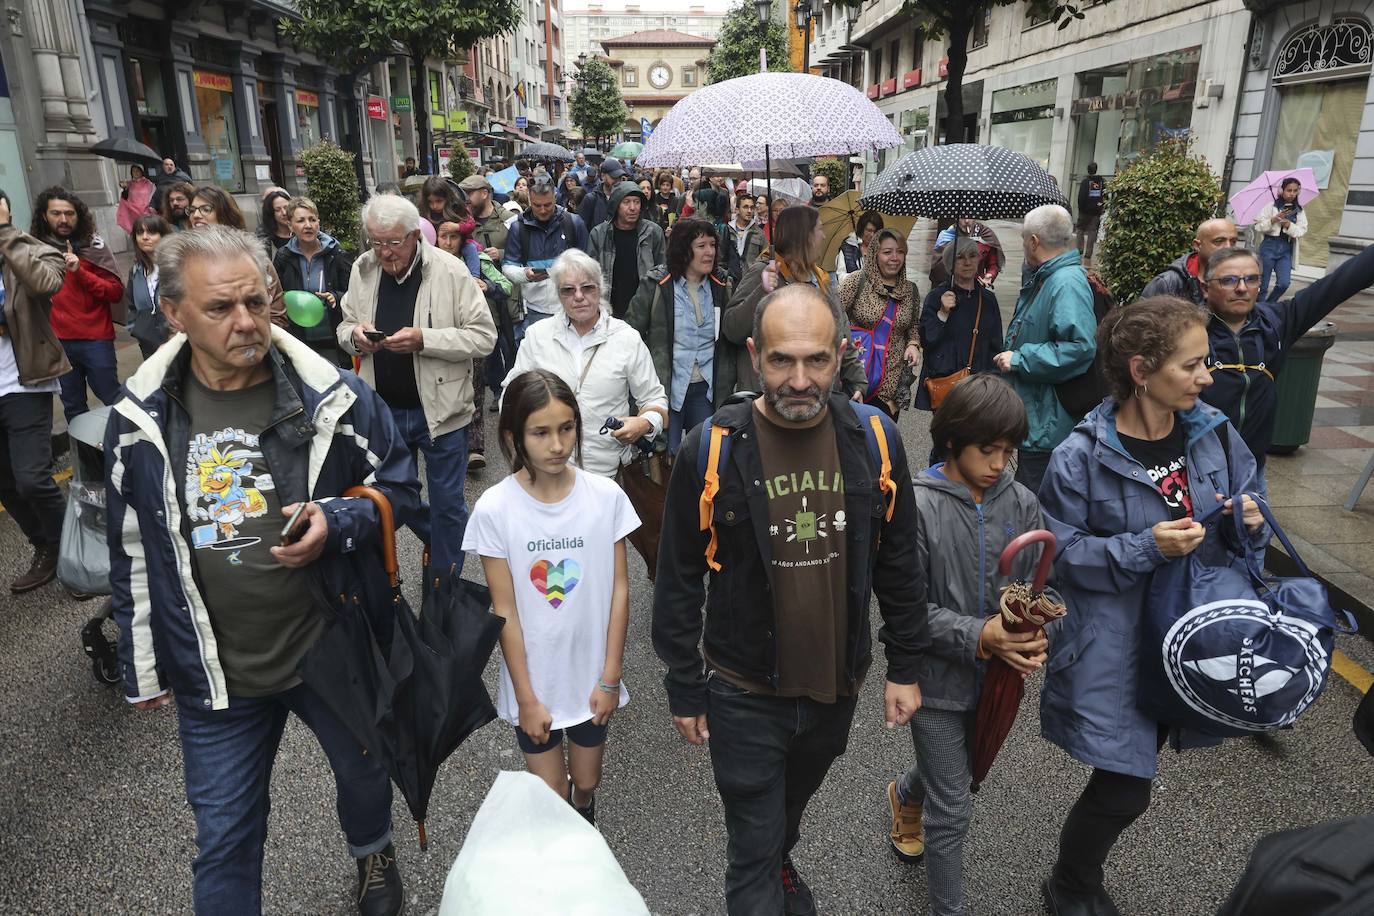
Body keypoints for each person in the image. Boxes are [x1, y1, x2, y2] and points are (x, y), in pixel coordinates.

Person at [106, 225, 419, 916]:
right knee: (223, 837)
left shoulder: (330, 397)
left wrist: (337, 521)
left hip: (330, 641)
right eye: (220, 308)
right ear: (173, 313)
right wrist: (142, 665)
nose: (246, 322)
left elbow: (401, 489)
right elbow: (132, 544)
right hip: (218, 670)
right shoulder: (140, 420)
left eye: (256, 300)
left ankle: (373, 849)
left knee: (365, 773)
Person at [652, 283, 928, 915]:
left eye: (816, 361)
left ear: (840, 355)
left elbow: (899, 563)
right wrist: (683, 683)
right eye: (781, 361)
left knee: (786, 813)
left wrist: (904, 667)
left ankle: (780, 859)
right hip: (742, 690)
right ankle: (766, 872)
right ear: (754, 356)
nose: (799, 380)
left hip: (835, 688)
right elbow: (678, 575)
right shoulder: (713, 447)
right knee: (750, 843)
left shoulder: (877, 440)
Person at [1037, 296, 1267, 916]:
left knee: (1130, 778)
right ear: (1142, 371)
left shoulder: (1214, 433)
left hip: (1188, 642)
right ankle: (1070, 885)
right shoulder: (1078, 457)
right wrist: (1145, 547)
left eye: (1207, 363)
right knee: (1125, 787)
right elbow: (1060, 556)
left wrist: (1249, 518)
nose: (1206, 377)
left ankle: (1072, 881)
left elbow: (1250, 500)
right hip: (1115, 650)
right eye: (1191, 366)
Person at [885, 374, 1054, 916]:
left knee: (959, 774)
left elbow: (1035, 585)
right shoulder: (916, 504)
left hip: (995, 682)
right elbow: (906, 612)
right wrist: (980, 633)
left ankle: (906, 793)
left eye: (1009, 451)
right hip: (933, 683)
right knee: (953, 809)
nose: (1000, 464)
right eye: (988, 450)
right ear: (952, 440)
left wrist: (1036, 631)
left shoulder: (1023, 503)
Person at [464, 368, 638, 826]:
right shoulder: (495, 509)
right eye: (540, 432)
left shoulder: (606, 498)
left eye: (566, 428)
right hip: (535, 683)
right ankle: (569, 863)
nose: (557, 444)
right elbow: (505, 610)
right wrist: (526, 698)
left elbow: (619, 590)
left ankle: (584, 813)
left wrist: (610, 677)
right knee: (551, 793)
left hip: (591, 680)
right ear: (513, 436)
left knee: (586, 782)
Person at [338, 194, 497, 574]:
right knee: (392, 500)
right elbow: (344, 326)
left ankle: (446, 589)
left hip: (442, 413)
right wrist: (354, 337)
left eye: (393, 242)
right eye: (376, 242)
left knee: (448, 504)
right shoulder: (363, 270)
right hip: (384, 411)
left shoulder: (451, 271)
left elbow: (483, 337)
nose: (385, 253)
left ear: (414, 235)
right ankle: (441, 540)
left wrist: (425, 339)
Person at [1197, 244, 1374, 466]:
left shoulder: (1277, 322)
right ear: (1205, 288)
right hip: (1197, 469)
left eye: (1251, 279)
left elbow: (1338, 285)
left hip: (1251, 468)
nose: (1242, 288)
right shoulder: (1187, 329)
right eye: (1229, 280)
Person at [502, 249, 666, 477]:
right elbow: (510, 395)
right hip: (544, 472)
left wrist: (644, 423)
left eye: (587, 287)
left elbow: (654, 399)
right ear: (558, 295)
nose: (578, 296)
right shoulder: (537, 336)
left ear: (600, 289)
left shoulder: (626, 338)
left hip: (604, 472)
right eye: (568, 290)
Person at [994, 204, 1096, 492]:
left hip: (1048, 424)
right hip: (1040, 418)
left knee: (1035, 505)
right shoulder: (1049, 277)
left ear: (1034, 242)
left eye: (1024, 239)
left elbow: (1078, 348)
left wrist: (1019, 358)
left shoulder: (1064, 283)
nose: (1023, 245)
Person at [0, 190, 71, 594]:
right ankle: (43, 548)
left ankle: (70, 552)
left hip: (23, 381)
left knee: (31, 479)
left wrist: (6, 233)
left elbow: (45, 286)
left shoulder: (37, 251)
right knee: (5, 483)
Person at [724, 205, 868, 397]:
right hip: (773, 396)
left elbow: (843, 338)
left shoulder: (822, 280)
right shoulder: (765, 272)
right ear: (804, 236)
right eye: (819, 229)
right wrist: (763, 291)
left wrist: (858, 383)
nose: (823, 236)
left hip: (819, 397)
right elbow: (732, 328)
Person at [625, 218, 737, 452]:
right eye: (701, 246)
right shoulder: (657, 284)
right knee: (667, 454)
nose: (709, 253)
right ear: (684, 250)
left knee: (706, 455)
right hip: (667, 386)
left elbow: (733, 331)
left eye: (712, 245)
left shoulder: (721, 284)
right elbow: (630, 332)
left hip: (705, 388)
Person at [30, 186, 125, 423]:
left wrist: (80, 270)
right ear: (44, 215)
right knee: (73, 407)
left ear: (78, 215)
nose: (63, 219)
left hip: (95, 340)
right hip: (58, 342)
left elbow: (114, 292)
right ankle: (86, 459)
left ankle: (131, 452)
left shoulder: (94, 246)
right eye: (56, 213)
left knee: (113, 398)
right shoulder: (34, 249)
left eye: (69, 213)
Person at [914, 237, 1005, 418]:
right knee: (947, 443)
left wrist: (995, 384)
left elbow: (995, 346)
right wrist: (942, 313)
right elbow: (927, 340)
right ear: (950, 263)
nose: (967, 262)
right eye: (960, 257)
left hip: (979, 387)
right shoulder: (936, 297)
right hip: (947, 384)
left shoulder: (987, 300)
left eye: (972, 256)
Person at [433, 203, 492, 473]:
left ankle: (475, 448)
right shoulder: (428, 267)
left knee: (475, 392)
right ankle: (450, 445)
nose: (447, 242)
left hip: (472, 337)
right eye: (442, 236)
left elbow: (503, 285)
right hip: (441, 339)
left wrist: (487, 285)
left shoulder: (477, 260)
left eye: (452, 236)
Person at [839, 228, 920, 418]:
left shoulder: (910, 290)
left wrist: (913, 344)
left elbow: (913, 326)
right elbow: (832, 317)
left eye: (900, 251)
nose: (894, 257)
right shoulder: (856, 281)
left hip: (889, 386)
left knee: (881, 442)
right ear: (875, 253)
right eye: (887, 252)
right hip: (855, 375)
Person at [188, 186, 288, 327]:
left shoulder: (253, 258)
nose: (196, 215)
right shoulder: (187, 262)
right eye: (192, 210)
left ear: (224, 214)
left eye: (205, 209)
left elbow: (277, 316)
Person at [273, 197, 354, 369]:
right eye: (301, 220)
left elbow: (353, 292)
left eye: (312, 219)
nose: (308, 225)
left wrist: (335, 297)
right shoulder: (283, 257)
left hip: (333, 341)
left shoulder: (336, 254)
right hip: (300, 343)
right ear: (290, 225)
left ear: (318, 223)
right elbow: (275, 296)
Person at [504, 175, 590, 333]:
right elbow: (508, 266)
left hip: (572, 306)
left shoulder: (574, 222)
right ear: (530, 199)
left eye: (548, 205)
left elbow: (589, 266)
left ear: (555, 197)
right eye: (537, 205)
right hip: (535, 309)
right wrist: (525, 274)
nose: (543, 210)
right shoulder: (518, 228)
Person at [587, 181, 667, 321]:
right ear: (616, 205)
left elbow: (662, 271)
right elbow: (590, 275)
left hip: (644, 310)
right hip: (609, 309)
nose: (632, 208)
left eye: (636, 202)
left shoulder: (653, 232)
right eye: (626, 202)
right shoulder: (599, 234)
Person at [1140, 217, 1239, 305]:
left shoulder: (1243, 282)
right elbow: (1141, 322)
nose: (1228, 247)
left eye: (1233, 242)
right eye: (1219, 241)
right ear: (1197, 245)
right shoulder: (1168, 283)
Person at [118, 213, 173, 359]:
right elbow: (131, 304)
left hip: (176, 339)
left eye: (152, 232)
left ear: (164, 236)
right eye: (140, 232)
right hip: (148, 341)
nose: (145, 237)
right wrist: (136, 329)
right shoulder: (136, 271)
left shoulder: (175, 266)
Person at [1254, 177, 1308, 302]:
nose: (1292, 194)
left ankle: (1269, 305)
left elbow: (1302, 230)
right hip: (1268, 246)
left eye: (1295, 191)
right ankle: (1258, 310)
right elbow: (1258, 226)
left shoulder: (1299, 210)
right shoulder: (1270, 206)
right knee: (1263, 285)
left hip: (1285, 249)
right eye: (1289, 190)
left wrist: (1289, 225)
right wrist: (1274, 219)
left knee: (1284, 283)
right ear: (1282, 190)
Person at [930, 218, 1003, 289]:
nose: (967, 221)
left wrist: (990, 275)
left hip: (976, 288)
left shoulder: (985, 234)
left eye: (970, 217)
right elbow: (938, 268)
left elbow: (993, 264)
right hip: (950, 288)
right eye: (963, 217)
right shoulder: (947, 235)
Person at [459, 174, 509, 268]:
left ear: (484, 194)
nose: (465, 199)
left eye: (468, 194)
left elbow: (526, 250)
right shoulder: (462, 223)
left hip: (507, 280)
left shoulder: (508, 218)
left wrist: (501, 254)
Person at [579, 159, 629, 230]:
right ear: (603, 176)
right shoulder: (591, 199)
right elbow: (582, 228)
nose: (617, 181)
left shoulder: (624, 198)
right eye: (614, 177)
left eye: (620, 177)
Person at [835, 212, 883, 286]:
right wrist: (859, 278)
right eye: (869, 230)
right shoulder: (847, 249)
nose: (872, 235)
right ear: (862, 229)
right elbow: (841, 277)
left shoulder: (882, 248)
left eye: (875, 231)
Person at [726, 193, 762, 284]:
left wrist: (756, 268)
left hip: (751, 281)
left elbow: (766, 255)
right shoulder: (727, 230)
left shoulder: (759, 233)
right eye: (745, 207)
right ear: (737, 210)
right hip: (731, 281)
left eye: (752, 207)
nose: (749, 211)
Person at [1075, 163, 1106, 262]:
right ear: (1096, 170)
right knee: (1092, 232)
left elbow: (1081, 197)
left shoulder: (1085, 182)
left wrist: (1081, 208)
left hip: (1084, 211)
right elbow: (1104, 195)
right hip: (1096, 211)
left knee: (1080, 229)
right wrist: (1101, 207)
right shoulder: (1102, 182)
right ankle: (1088, 253)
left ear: (1088, 170)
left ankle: (1079, 249)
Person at [259, 189, 294, 256]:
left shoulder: (301, 232)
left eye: (286, 207)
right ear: (271, 213)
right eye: (278, 210)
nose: (284, 213)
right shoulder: (265, 241)